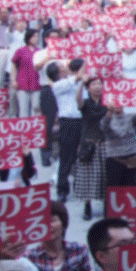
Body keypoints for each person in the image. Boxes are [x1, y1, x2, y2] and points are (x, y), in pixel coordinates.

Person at [48, 60, 85, 203]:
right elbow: (78, 76)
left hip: (81, 120)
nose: (66, 68)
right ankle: (62, 189)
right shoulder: (57, 85)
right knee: (66, 157)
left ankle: (79, 186)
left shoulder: (74, 80)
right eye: (62, 67)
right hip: (68, 122)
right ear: (57, 73)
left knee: (82, 155)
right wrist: (88, 60)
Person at [74, 76, 107, 220]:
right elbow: (78, 100)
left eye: (100, 83)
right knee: (87, 177)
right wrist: (81, 82)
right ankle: (87, 206)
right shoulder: (86, 103)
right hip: (88, 144)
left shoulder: (107, 102)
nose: (98, 86)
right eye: (94, 84)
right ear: (88, 88)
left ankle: (107, 205)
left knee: (104, 176)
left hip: (104, 142)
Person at [11, 29, 42, 117]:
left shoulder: (39, 51)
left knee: (35, 110)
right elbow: (14, 66)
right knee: (23, 110)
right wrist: (13, 80)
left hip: (36, 83)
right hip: (23, 82)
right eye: (34, 36)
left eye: (37, 37)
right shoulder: (20, 51)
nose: (36, 39)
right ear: (28, 38)